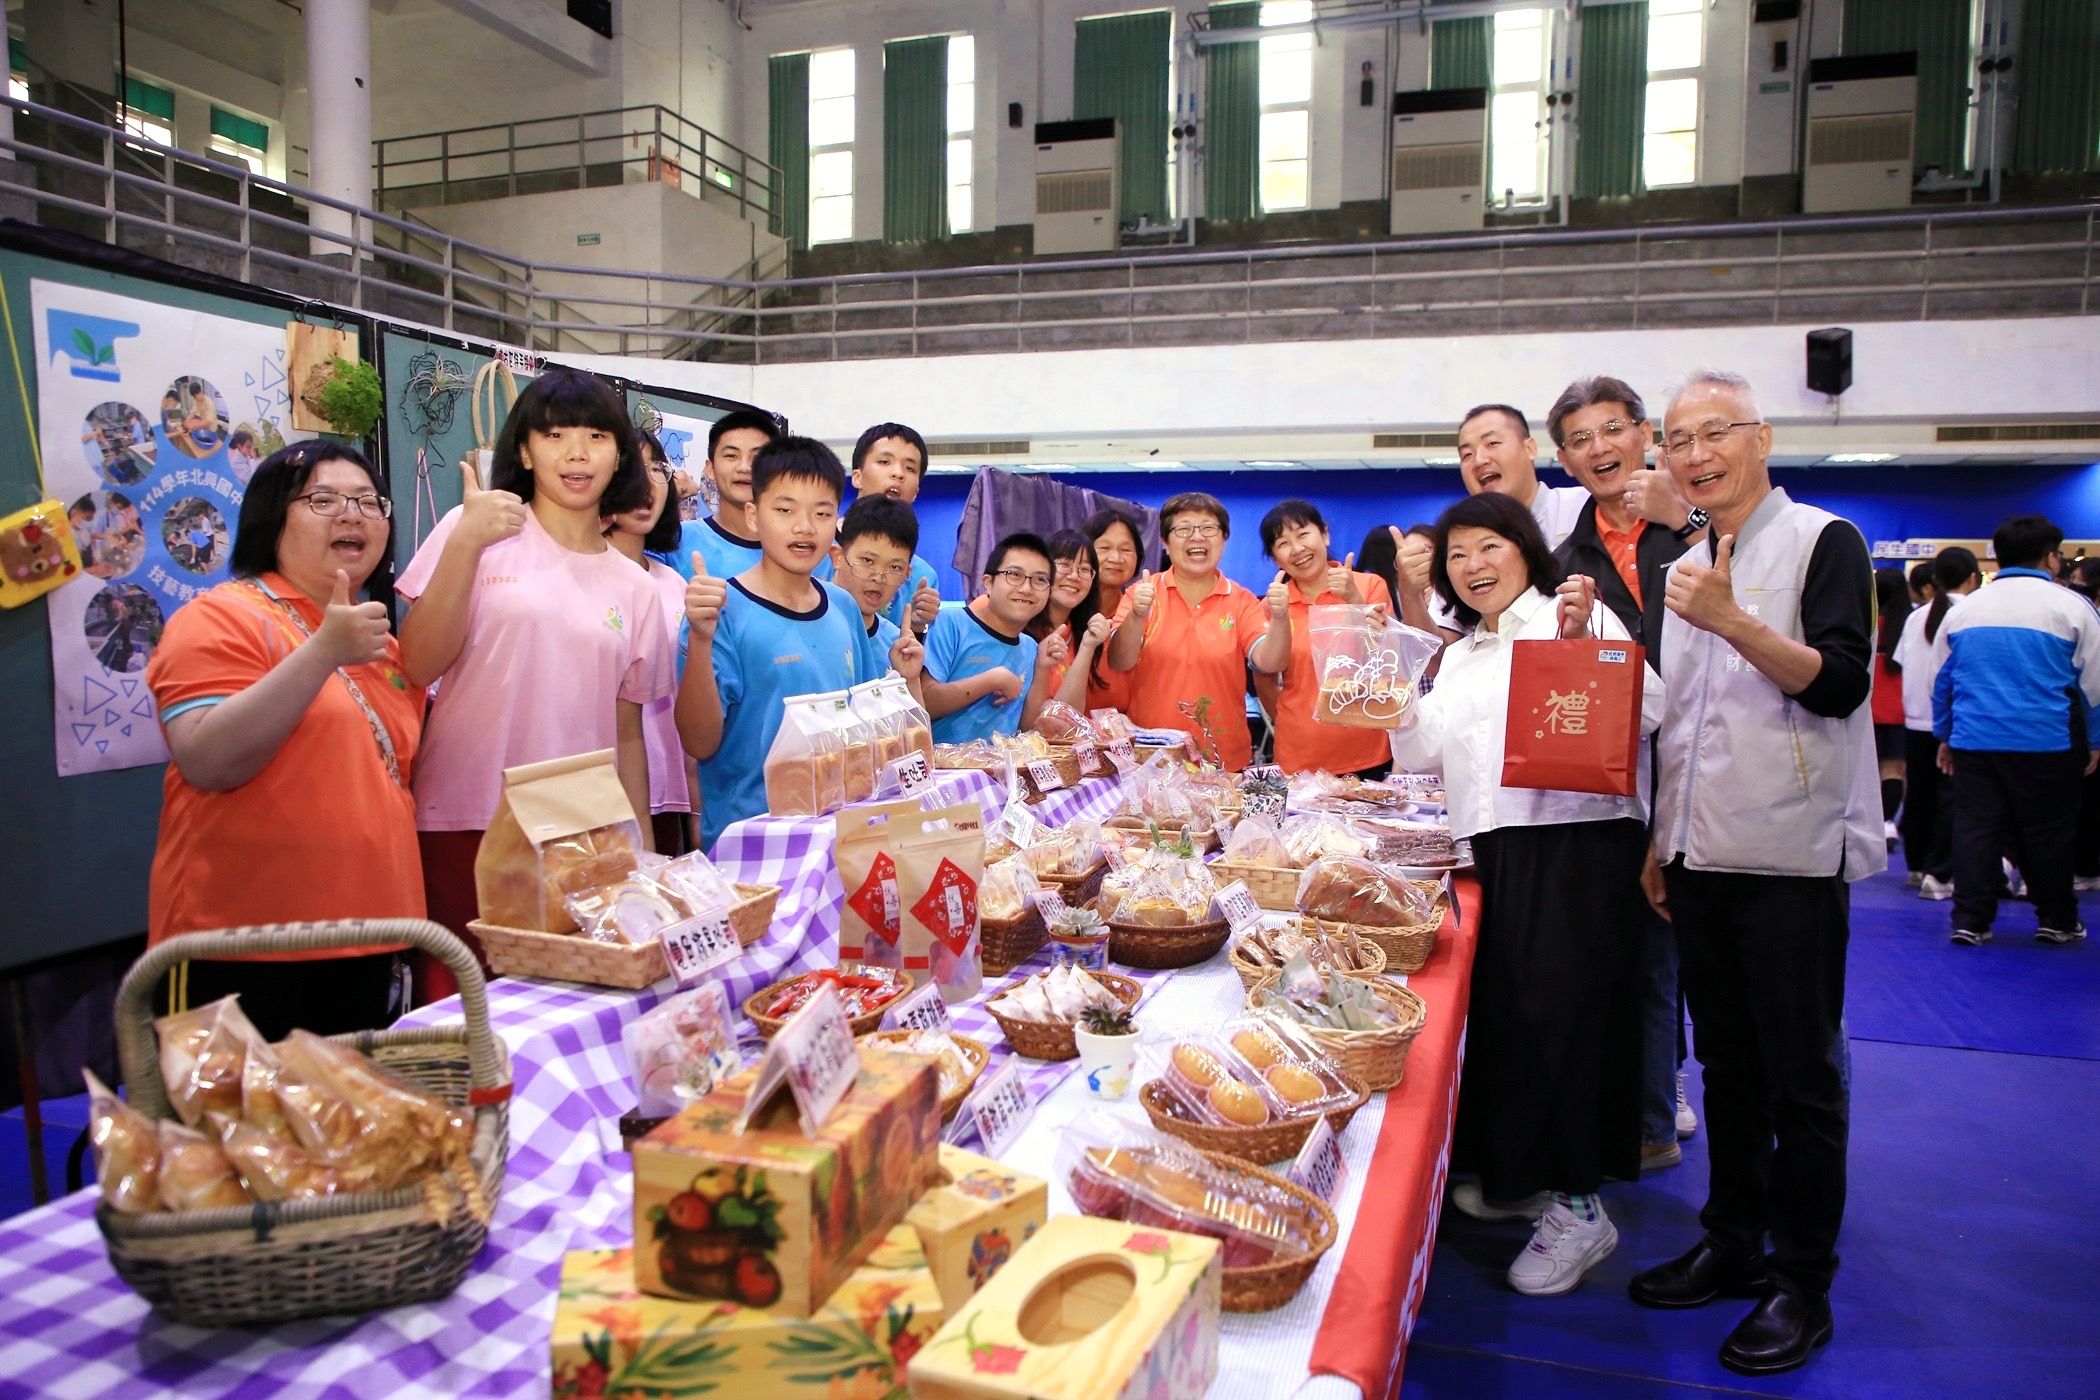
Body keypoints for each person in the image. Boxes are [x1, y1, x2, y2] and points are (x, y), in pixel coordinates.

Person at [1633, 369, 1881, 1379]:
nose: (1695, 455)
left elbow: (1844, 684)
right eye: (1679, 439)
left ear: (1762, 437)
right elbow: (1679, 723)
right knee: (1727, 1069)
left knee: (1802, 1078)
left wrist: (1734, 619)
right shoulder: (1686, 561)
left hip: (1789, 855)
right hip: (1698, 854)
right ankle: (1732, 1239)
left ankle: (1801, 1280)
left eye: (1716, 431)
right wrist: (1660, 839)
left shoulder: (1825, 541)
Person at [1390, 491, 1662, 1297]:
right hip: (1495, 850)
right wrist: (1392, 691)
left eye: (1489, 547)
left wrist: (1581, 648)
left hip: (1576, 845)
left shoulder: (1573, 614)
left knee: (1568, 1023)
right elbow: (1421, 754)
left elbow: (1651, 712)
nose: (1473, 566)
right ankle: (1529, 1177)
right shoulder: (1465, 652)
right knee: (1515, 1018)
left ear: (1525, 548)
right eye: (1457, 555)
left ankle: (1582, 1207)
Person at [396, 368, 672, 997]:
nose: (576, 453)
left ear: (620, 456)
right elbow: (417, 664)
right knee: (464, 1005)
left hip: (581, 831)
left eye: (596, 436)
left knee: (570, 1000)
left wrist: (641, 851)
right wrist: (466, 544)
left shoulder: (636, 587)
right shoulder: (473, 533)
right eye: (554, 435)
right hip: (466, 815)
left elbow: (628, 733)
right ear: (523, 452)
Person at [145, 442, 422, 1040]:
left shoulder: (379, 643)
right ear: (271, 517)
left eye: (369, 502)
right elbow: (207, 759)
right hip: (241, 943)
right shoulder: (222, 617)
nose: (352, 515)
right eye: (323, 500)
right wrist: (323, 652)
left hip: (368, 938)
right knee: (237, 1104)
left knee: (349, 1102)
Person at [1545, 374, 1703, 1173]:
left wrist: (1688, 521)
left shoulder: (1700, 523)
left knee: (1714, 956)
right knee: (1637, 948)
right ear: (1564, 460)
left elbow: (1758, 605)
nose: (1600, 449)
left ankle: (1667, 1093)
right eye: (1580, 439)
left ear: (1646, 434)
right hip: (1617, 774)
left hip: (1714, 760)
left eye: (1612, 430)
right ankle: (1648, 1116)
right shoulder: (1565, 559)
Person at [675, 437, 906, 850]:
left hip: (840, 837)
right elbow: (698, 742)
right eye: (785, 510)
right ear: (753, 516)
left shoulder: (843, 606)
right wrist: (701, 639)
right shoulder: (720, 611)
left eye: (822, 513)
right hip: (751, 842)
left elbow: (866, 728)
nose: (804, 526)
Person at [1932, 514, 2100, 947]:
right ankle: (2056, 920)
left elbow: (1941, 682)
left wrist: (1945, 734)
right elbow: (2094, 686)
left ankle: (1970, 920)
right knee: (2048, 834)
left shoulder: (1964, 611)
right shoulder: (2072, 607)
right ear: (2050, 557)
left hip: (1975, 741)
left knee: (1975, 831)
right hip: (2048, 741)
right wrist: (2095, 740)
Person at [1105, 492, 1291, 770]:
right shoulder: (1141, 593)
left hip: (1223, 760)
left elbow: (1270, 662)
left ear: (1224, 538)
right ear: (1165, 541)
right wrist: (1136, 615)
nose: (1197, 537)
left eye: (1208, 528)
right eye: (1183, 529)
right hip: (1151, 758)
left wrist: (1280, 617)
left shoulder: (1241, 600)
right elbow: (1120, 660)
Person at [1254, 499, 1395, 778]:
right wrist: (1295, 720)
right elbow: (1264, 679)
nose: (1297, 549)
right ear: (1275, 558)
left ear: (1325, 534)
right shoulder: (1273, 606)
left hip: (1369, 751)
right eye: (1282, 543)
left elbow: (1386, 656)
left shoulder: (1369, 585)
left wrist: (1353, 598)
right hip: (1300, 756)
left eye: (1303, 534)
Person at [606, 430, 696, 855]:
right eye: (630, 469)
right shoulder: (577, 573)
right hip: (594, 791)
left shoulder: (673, 582)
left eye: (656, 469)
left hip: (666, 790)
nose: (645, 485)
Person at [1893, 547, 1978, 897]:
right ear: (1972, 577)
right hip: (1954, 723)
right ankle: (1939, 872)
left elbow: (1904, 663)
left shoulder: (1917, 617)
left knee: (1919, 795)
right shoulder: (1972, 613)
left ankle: (1917, 866)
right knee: (1950, 800)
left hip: (1916, 719)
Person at [924, 531, 1064, 743]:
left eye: (1040, 580)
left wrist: (1042, 668)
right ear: (988, 583)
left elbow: (1027, 729)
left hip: (1002, 762)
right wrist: (991, 680)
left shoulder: (1031, 647)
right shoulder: (951, 622)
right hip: (943, 761)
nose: (1026, 588)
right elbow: (925, 703)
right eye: (1014, 575)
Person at [840, 422, 941, 634]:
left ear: (916, 492)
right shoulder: (816, 548)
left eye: (910, 468)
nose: (898, 473)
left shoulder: (923, 576)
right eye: (884, 462)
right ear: (857, 477)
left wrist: (916, 626)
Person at [829, 493, 930, 705]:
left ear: (907, 575)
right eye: (868, 561)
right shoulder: (807, 625)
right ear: (838, 557)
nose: (879, 577)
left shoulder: (897, 644)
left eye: (894, 567)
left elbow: (918, 726)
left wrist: (911, 680)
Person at [1455, 404, 1595, 551]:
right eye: (1467, 455)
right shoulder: (1462, 542)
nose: (1479, 460)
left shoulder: (1585, 506)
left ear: (1530, 449)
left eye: (1492, 443)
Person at [663, 409, 777, 582]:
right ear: (710, 469)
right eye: (731, 456)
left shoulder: (804, 548)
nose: (744, 467)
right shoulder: (675, 540)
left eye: (757, 457)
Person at [1025, 528, 1112, 711]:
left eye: (1084, 569)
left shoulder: (1083, 634)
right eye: (1064, 564)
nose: (1074, 576)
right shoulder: (1016, 623)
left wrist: (1087, 647)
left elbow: (1068, 716)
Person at [1081, 507, 1145, 711]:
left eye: (1126, 550)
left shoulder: (1141, 613)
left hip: (1123, 726)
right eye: (1104, 548)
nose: (1116, 558)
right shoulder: (1065, 610)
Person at [1871, 568, 1913, 849]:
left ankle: (1869, 824)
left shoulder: (1866, 620)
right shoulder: (1910, 623)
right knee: (1893, 770)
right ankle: (1887, 824)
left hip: (1865, 707)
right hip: (1899, 709)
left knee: (1867, 771)